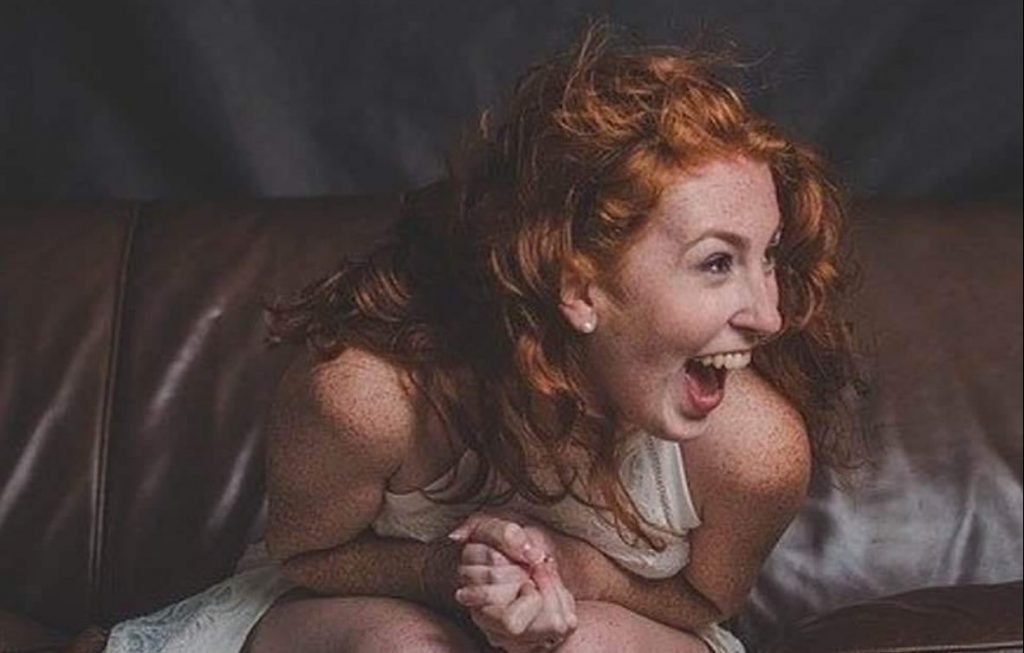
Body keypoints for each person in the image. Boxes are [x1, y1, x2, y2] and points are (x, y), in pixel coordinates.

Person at [101, 23, 858, 653]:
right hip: (363, 617)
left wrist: (580, 575)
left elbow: (705, 600)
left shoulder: (757, 452)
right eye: (718, 262)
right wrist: (451, 571)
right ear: (579, 289)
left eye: (769, 257)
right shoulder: (364, 399)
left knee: (585, 646)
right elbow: (305, 555)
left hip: (622, 632)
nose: (768, 314)